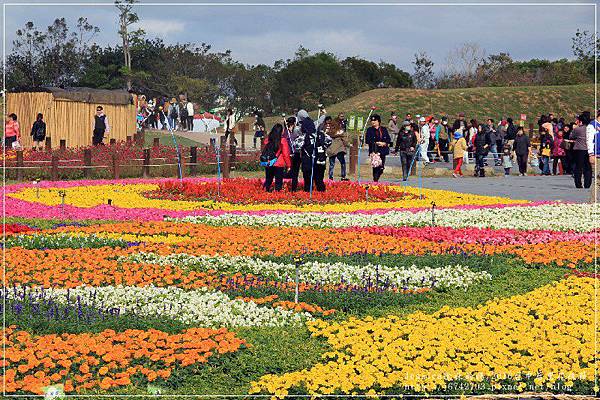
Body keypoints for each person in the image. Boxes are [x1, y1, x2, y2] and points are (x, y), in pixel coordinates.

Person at [301, 111, 331, 192]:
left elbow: (296, 146)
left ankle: (308, 196)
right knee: (319, 181)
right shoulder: (321, 134)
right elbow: (329, 141)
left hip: (308, 162)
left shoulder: (304, 136)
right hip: (320, 161)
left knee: (308, 182)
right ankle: (321, 196)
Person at [262, 123, 292, 192]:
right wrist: (289, 165)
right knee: (278, 181)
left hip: (269, 163)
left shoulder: (267, 140)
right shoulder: (282, 140)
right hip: (279, 164)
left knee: (268, 179)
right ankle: (277, 194)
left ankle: (264, 193)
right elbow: (286, 154)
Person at [365, 114, 392, 182]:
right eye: (372, 120)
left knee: (381, 167)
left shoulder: (383, 129)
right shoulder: (370, 130)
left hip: (382, 151)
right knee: (376, 166)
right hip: (374, 151)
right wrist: (376, 143)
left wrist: (384, 143)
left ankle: (376, 178)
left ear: (378, 121)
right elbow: (367, 140)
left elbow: (388, 139)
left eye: (375, 120)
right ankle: (375, 180)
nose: (373, 122)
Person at [568, 113, 592, 188]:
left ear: (581, 121)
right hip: (588, 149)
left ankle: (578, 184)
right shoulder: (591, 128)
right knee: (588, 167)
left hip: (579, 149)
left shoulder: (578, 129)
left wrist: (575, 127)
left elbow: (571, 136)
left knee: (578, 167)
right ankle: (587, 184)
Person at [286, 116, 303, 191]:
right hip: (293, 154)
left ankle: (293, 187)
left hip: (294, 153)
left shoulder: (294, 131)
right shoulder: (289, 132)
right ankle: (293, 188)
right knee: (294, 173)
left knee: (294, 173)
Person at [588, 110, 600, 202]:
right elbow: (589, 141)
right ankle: (593, 201)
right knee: (597, 179)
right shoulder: (592, 125)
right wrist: (591, 154)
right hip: (596, 155)